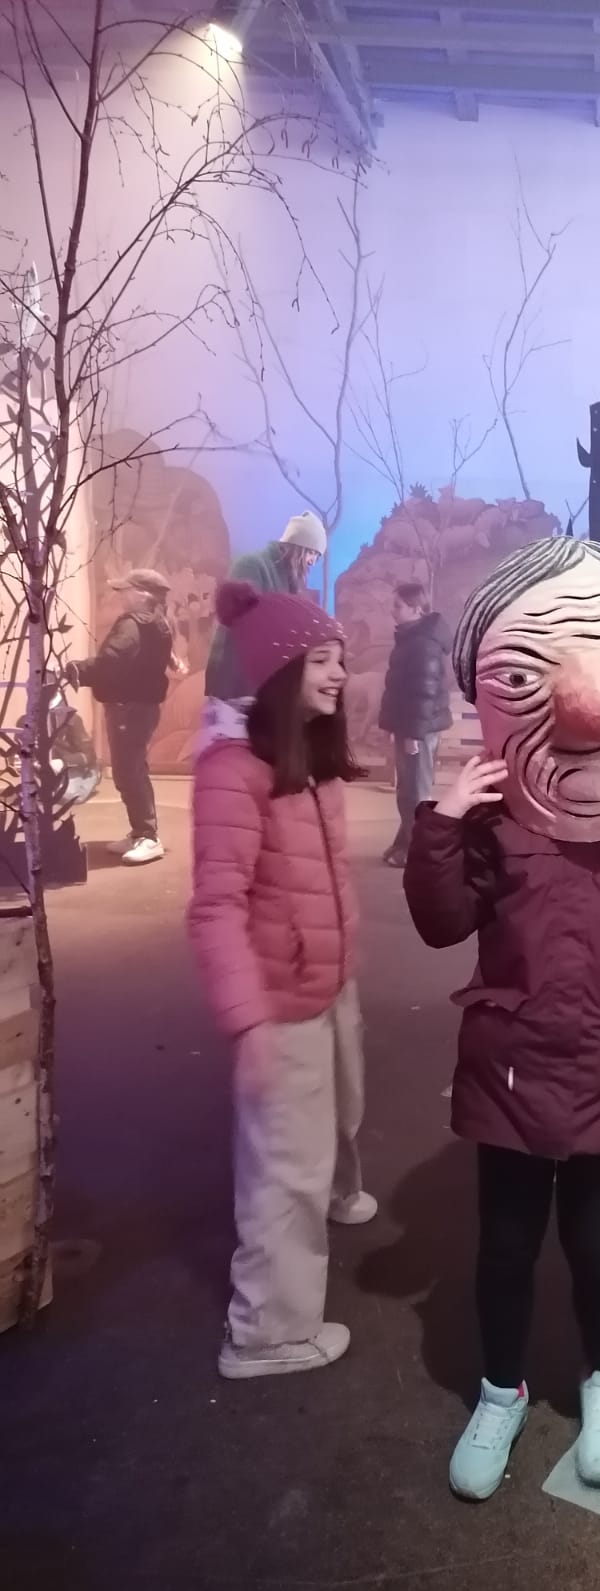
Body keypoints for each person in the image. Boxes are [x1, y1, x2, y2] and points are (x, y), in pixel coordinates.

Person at [403, 537, 600, 1502]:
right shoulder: (493, 819)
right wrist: (443, 823)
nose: (596, 705)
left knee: (599, 1246)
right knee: (504, 1245)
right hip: (510, 1063)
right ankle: (499, 1392)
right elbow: (440, 922)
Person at [187, 579, 377, 1382]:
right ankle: (266, 1332)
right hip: (280, 1000)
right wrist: (249, 1020)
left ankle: (337, 1193)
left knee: (342, 1110)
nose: (339, 676)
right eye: (322, 661)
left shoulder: (313, 761)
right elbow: (215, 909)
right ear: (280, 669)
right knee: (282, 1167)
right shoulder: (234, 773)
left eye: (341, 660)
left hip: (330, 982)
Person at [68, 567, 174, 866]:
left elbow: (112, 660)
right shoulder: (158, 622)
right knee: (132, 769)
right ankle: (140, 831)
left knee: (129, 772)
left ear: (142, 594)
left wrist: (77, 670)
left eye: (125, 590)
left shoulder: (132, 624)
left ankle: (148, 837)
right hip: (141, 707)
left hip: (129, 708)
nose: (121, 596)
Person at [203, 511, 327, 705]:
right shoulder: (252, 565)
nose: (312, 561)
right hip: (234, 683)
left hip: (260, 687)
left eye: (317, 557)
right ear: (298, 547)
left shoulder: (290, 582)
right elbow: (242, 623)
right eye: (311, 553)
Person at [378, 580, 452, 868]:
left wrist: (412, 734)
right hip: (411, 728)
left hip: (419, 731)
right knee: (407, 791)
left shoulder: (423, 644)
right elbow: (402, 689)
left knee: (418, 793)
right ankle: (404, 843)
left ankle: (419, 852)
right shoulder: (412, 639)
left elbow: (424, 692)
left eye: (398, 606)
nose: (392, 611)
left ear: (416, 609)